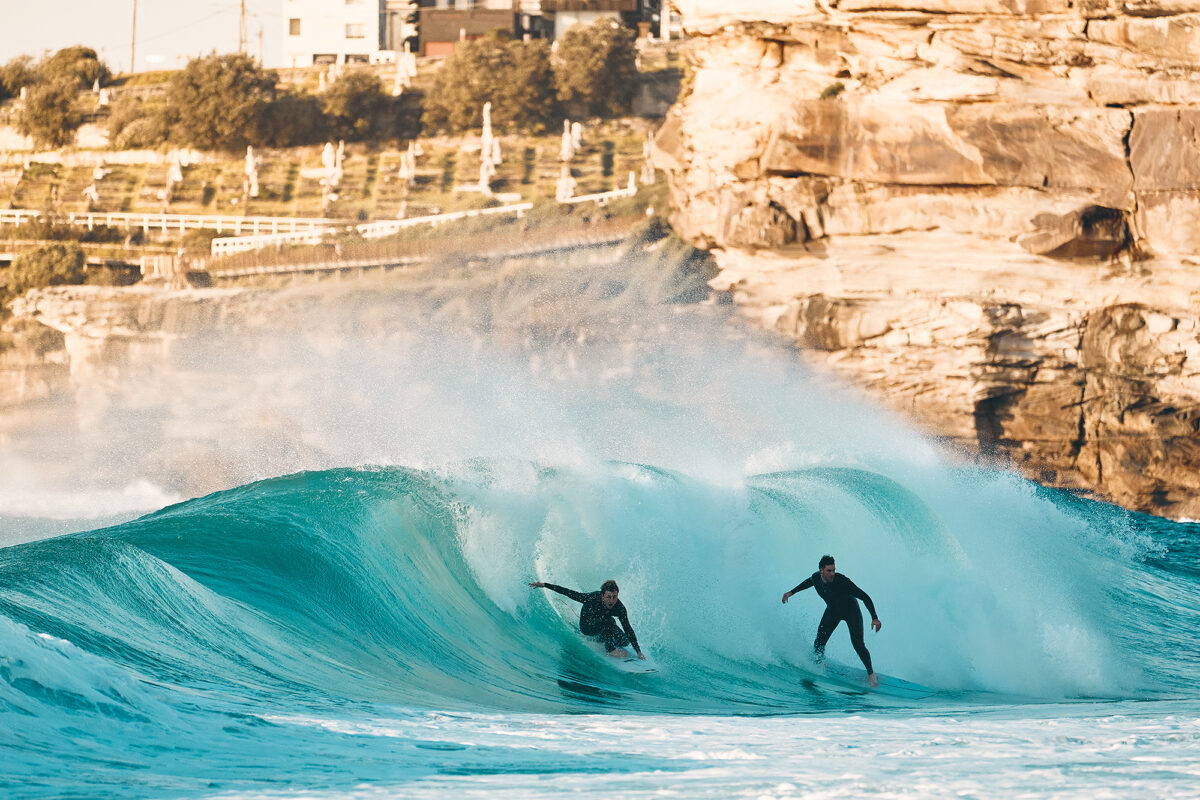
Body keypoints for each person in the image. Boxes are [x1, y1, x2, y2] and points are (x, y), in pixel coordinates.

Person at [782, 555, 881, 688]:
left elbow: (864, 596)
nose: (832, 573)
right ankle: (819, 664)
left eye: (834, 570)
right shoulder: (816, 577)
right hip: (833, 611)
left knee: (858, 644)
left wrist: (874, 617)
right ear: (821, 570)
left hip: (851, 611)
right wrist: (791, 592)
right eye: (829, 570)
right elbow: (808, 582)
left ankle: (871, 674)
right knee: (819, 642)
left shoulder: (842, 581)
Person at [529, 579, 645, 660]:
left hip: (602, 625)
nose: (611, 600)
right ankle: (610, 650)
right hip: (587, 626)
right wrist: (544, 585)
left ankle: (604, 639)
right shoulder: (592, 598)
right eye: (608, 597)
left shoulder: (619, 607)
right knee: (610, 621)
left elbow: (628, 628)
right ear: (602, 596)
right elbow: (568, 592)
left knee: (624, 641)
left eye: (614, 597)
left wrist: (638, 651)